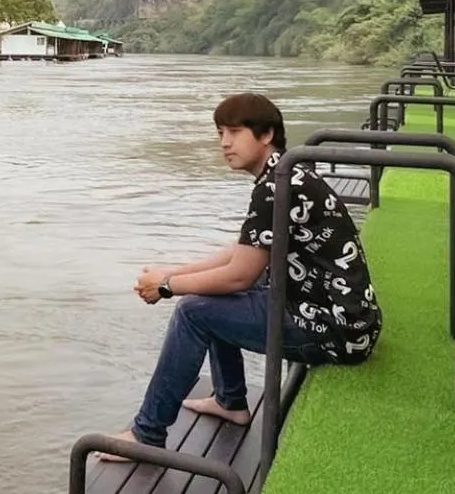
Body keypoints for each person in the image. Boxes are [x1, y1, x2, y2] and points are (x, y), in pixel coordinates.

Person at [99, 92, 381, 457]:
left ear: (266, 135)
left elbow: (238, 277)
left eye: (234, 131)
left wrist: (167, 287)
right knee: (209, 299)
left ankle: (147, 434)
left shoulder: (276, 187)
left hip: (334, 330)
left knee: (193, 312)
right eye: (220, 133)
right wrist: (173, 271)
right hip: (345, 320)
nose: (224, 143)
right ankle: (231, 401)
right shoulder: (287, 173)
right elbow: (241, 253)